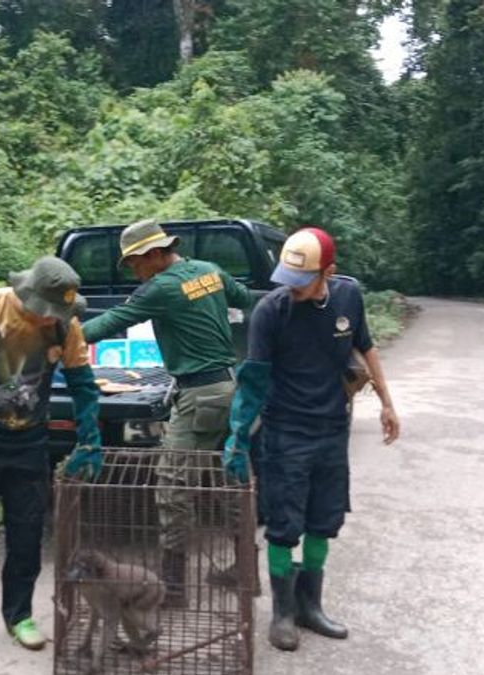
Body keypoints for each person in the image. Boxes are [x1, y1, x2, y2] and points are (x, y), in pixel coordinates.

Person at [222, 227, 400, 651]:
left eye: (302, 282)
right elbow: (254, 380)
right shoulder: (271, 311)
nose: (292, 290)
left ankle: (310, 607)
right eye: (287, 280)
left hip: (332, 431)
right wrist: (237, 438)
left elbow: (367, 346)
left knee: (325, 520)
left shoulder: (348, 297)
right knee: (284, 527)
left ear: (329, 273)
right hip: (285, 434)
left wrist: (387, 403)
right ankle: (282, 614)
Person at [82, 219, 253, 604]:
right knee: (227, 479)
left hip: (198, 396)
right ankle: (245, 567)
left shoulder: (160, 287)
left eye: (135, 262)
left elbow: (111, 322)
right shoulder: (209, 272)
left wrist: (61, 336)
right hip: (228, 389)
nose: (133, 271)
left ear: (156, 253)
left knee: (171, 486)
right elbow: (243, 297)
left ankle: (174, 585)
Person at [0, 256, 102, 657]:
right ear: (28, 296)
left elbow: (82, 383)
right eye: (47, 312)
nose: (52, 320)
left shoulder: (65, 323)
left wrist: (90, 439)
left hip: (29, 442)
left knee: (27, 534)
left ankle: (19, 615)